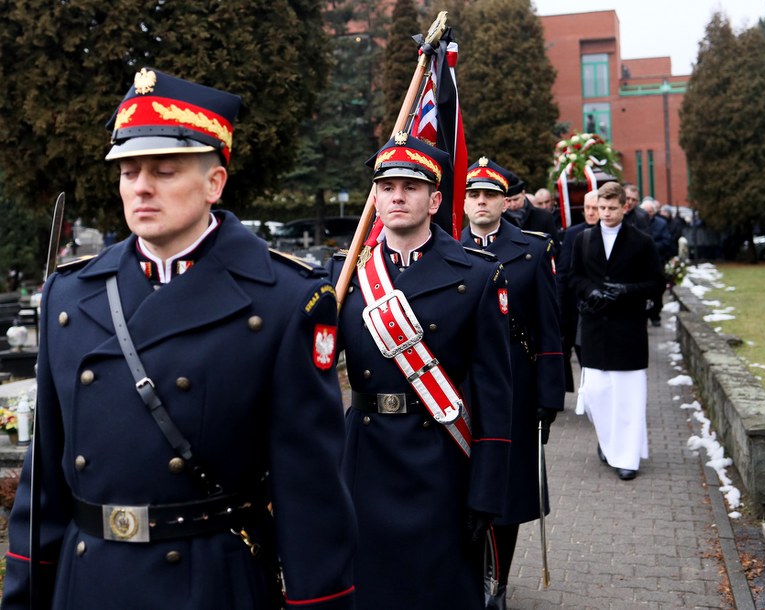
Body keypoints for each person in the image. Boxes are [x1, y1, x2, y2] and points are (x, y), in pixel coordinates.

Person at [2, 69, 357, 610]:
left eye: (164, 171)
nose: (141, 187)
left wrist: (320, 602)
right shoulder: (68, 295)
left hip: (211, 581)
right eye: (129, 171)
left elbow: (310, 492)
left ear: (215, 183)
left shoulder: (284, 299)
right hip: (88, 581)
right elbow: (43, 481)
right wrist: (23, 595)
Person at [328, 134, 513, 609]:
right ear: (375, 198)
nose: (397, 196)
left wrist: (487, 491)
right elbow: (315, 376)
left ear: (434, 201)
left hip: (441, 459)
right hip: (364, 457)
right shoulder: (346, 274)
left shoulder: (476, 276)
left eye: (410, 187)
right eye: (386, 187)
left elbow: (495, 392)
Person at [460, 158, 564, 609]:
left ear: (506, 202)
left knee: (505, 491)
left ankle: (497, 584)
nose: (481, 202)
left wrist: (549, 396)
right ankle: (465, 577)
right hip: (460, 390)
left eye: (490, 195)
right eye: (474, 195)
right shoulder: (447, 249)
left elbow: (549, 329)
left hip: (516, 388)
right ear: (463, 203)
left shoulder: (532, 250)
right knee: (461, 485)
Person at [568, 181, 665, 481]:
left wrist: (626, 290)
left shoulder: (641, 241)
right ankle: (607, 440)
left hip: (628, 329)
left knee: (628, 397)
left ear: (624, 207)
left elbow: (656, 283)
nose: (606, 213)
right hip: (595, 328)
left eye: (612, 208)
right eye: (601, 208)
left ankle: (627, 458)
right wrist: (590, 291)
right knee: (596, 395)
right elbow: (574, 277)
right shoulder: (584, 239)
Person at [556, 189, 600, 391]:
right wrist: (561, 308)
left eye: (595, 208)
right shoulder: (573, 234)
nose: (590, 213)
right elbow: (563, 272)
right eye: (587, 208)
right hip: (577, 305)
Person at [640, 199, 674, 327]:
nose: (647, 214)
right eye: (645, 212)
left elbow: (667, 242)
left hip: (657, 261)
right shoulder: (637, 222)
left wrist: (651, 247)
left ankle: (655, 314)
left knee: (657, 289)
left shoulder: (661, 224)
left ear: (654, 212)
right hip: (641, 263)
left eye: (650, 212)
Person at [502, 171, 560, 243]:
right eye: (508, 201)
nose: (513, 204)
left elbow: (554, 244)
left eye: (516, 199)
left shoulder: (544, 216)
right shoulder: (499, 219)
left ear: (523, 194)